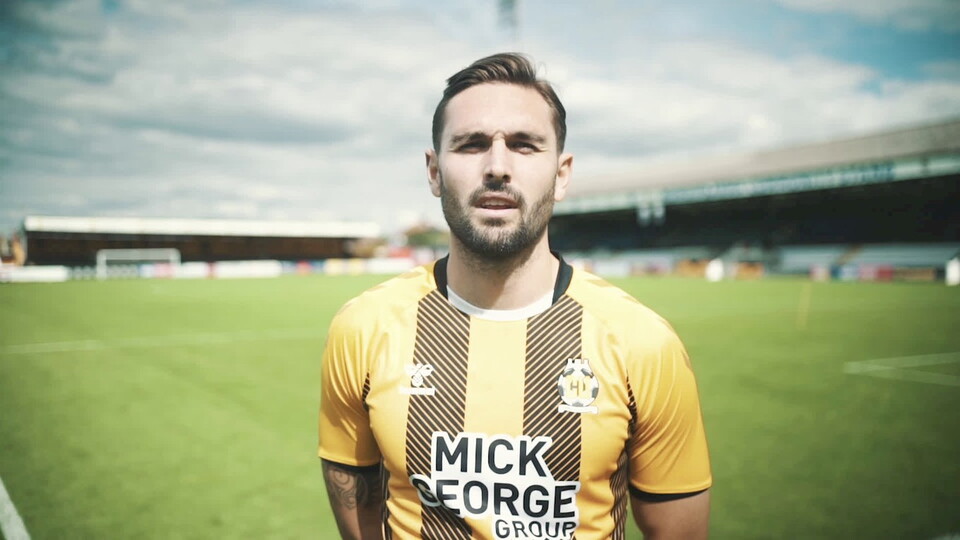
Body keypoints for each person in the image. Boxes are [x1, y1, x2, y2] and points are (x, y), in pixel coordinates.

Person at [319, 52, 711, 539]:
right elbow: (356, 502)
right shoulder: (364, 327)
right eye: (471, 144)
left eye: (524, 145)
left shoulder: (644, 343)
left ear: (561, 174)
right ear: (434, 171)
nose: (498, 167)